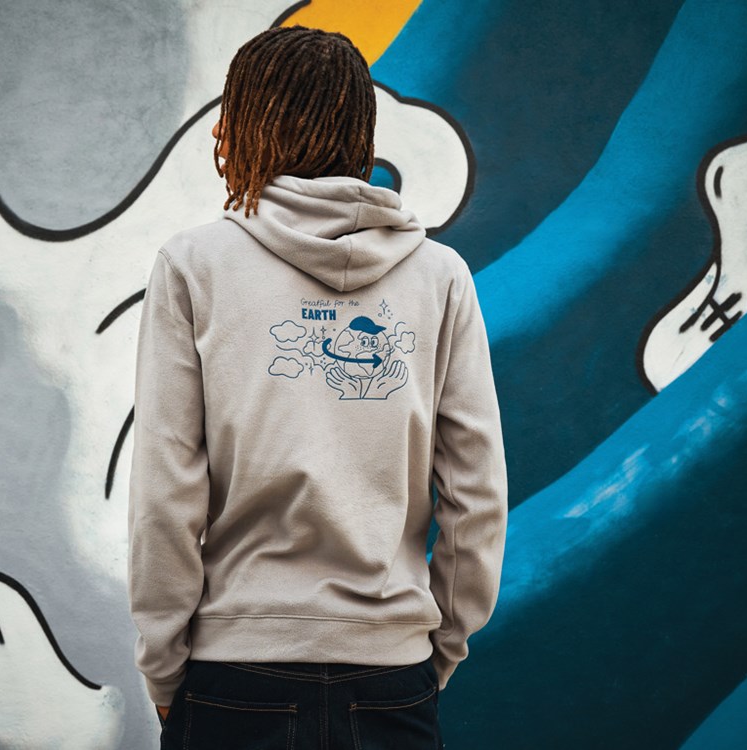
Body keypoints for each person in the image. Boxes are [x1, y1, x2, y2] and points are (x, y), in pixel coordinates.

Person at [128, 25, 507, 749]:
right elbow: (476, 492)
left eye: (229, 117)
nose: (219, 133)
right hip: (391, 680)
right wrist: (433, 652)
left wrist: (164, 671)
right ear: (356, 129)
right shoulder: (440, 276)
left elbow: (165, 495)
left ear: (252, 126)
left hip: (233, 680)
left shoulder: (193, 266)